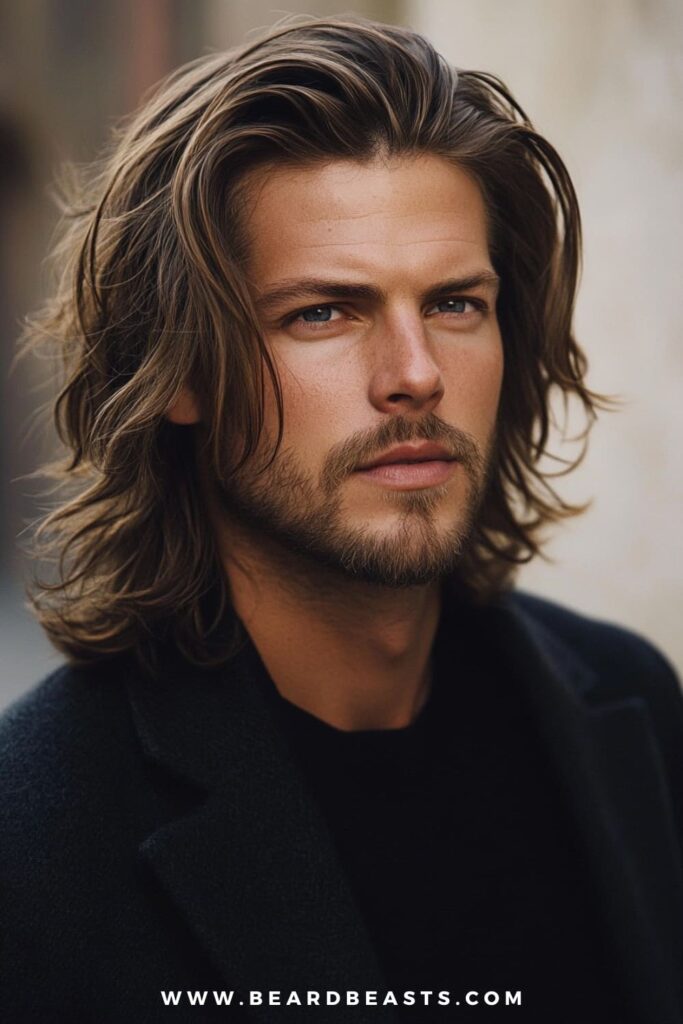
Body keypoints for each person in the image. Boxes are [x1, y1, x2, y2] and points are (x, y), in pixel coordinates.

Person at [1, 16, 681, 1024]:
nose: (413, 374)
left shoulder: (631, 706)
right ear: (180, 372)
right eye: (323, 311)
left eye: (454, 302)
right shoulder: (36, 835)